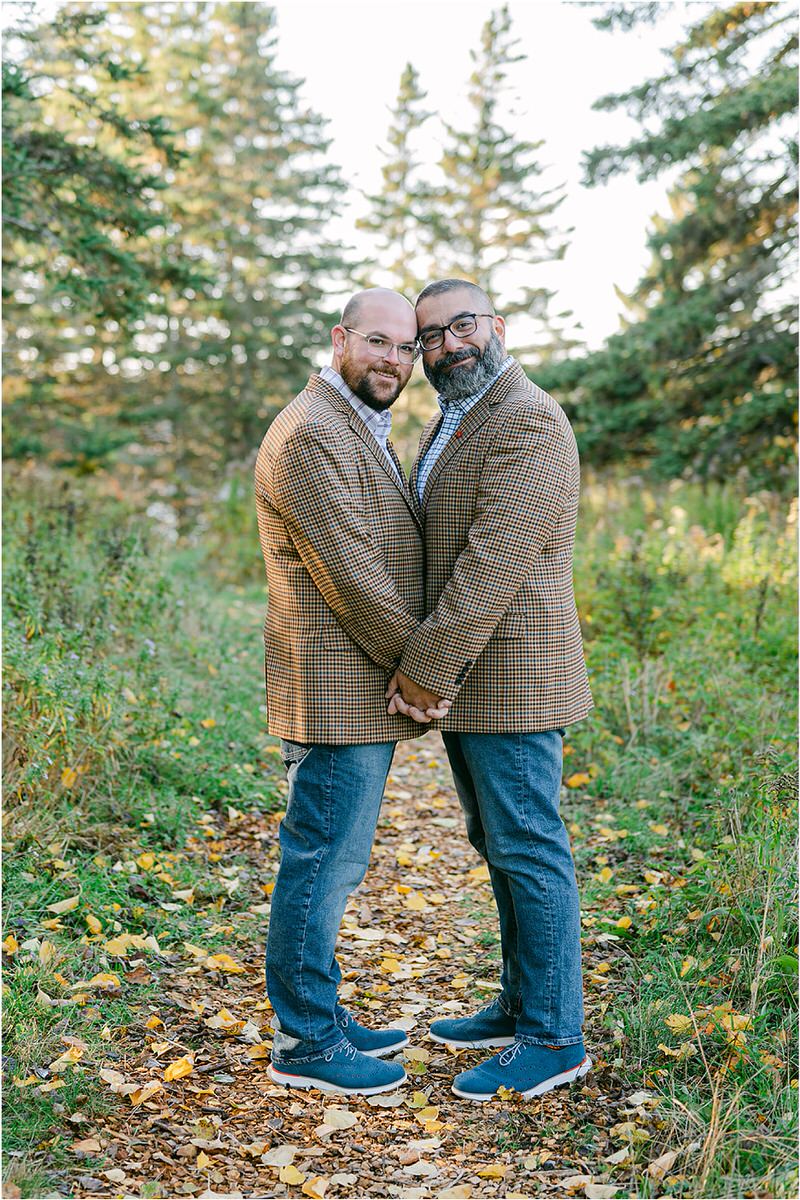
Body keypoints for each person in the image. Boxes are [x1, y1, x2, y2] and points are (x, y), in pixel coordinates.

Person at [386, 278, 594, 1101]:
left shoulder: (529, 419)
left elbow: (492, 562)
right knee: (496, 844)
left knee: (530, 848)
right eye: (428, 339)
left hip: (517, 676)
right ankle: (519, 1003)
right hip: (480, 680)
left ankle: (553, 1036)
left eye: (460, 326)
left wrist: (424, 669)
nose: (447, 347)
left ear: (496, 325)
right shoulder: (460, 416)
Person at [254, 288, 449, 1096]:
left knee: (336, 855)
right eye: (379, 343)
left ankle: (321, 1015)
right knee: (323, 861)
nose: (395, 362)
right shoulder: (309, 433)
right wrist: (420, 672)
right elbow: (350, 574)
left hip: (352, 683)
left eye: (407, 349)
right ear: (340, 339)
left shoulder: (354, 421)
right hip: (334, 685)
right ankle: (304, 1042)